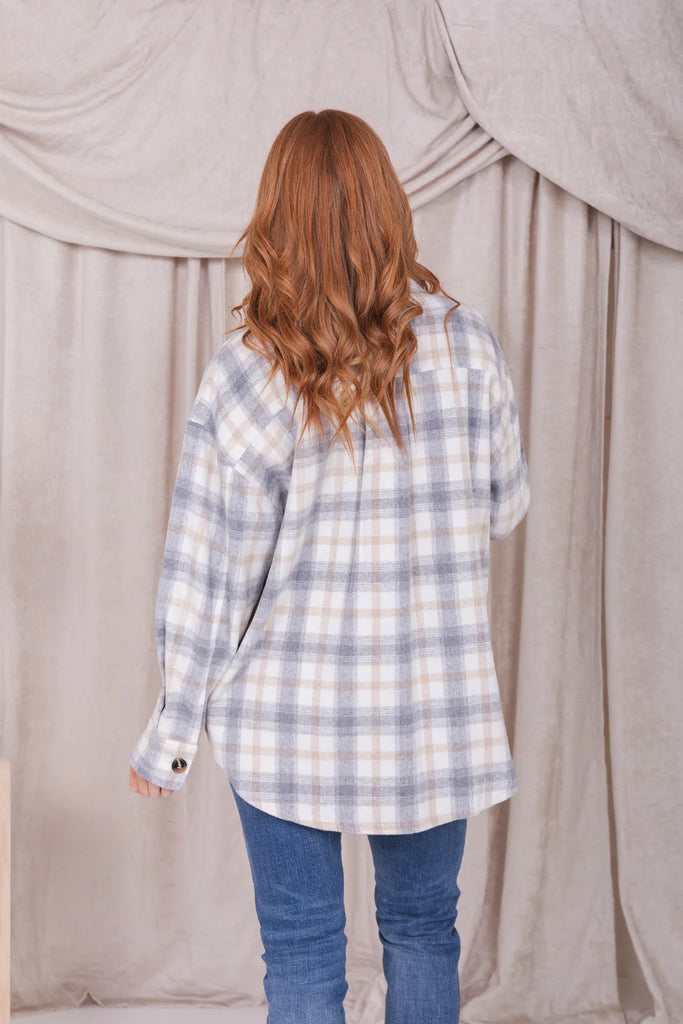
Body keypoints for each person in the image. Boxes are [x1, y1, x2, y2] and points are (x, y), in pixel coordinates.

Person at [129, 109, 530, 1024]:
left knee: (304, 952)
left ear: (277, 217)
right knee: (423, 931)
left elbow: (207, 574)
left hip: (285, 718)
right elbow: (504, 507)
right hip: (432, 710)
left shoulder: (247, 370)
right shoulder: (468, 345)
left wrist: (171, 733)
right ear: (388, 207)